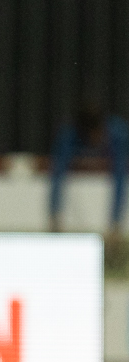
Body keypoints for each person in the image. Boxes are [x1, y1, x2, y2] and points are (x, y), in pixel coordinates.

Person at [50, 103, 128, 267]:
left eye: (99, 133)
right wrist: (55, 215)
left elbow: (120, 176)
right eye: (93, 135)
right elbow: (58, 174)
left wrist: (115, 225)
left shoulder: (118, 133)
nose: (96, 138)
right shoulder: (69, 136)